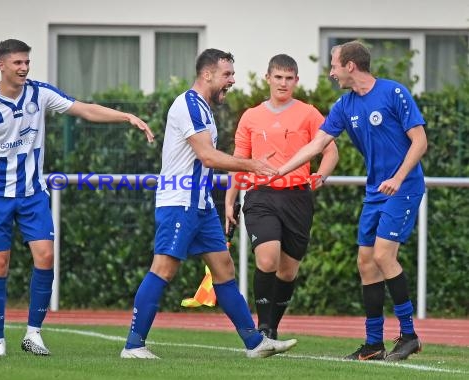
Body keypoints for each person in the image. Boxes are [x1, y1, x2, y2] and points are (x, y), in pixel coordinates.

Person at [0, 39, 154, 357]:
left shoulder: (40, 93)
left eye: (26, 62)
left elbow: (84, 109)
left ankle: (33, 334)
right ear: (1, 65)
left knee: (45, 257)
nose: (24, 68)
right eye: (17, 63)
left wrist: (125, 116)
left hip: (33, 194)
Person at [120, 48, 298, 359]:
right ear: (207, 75)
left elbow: (206, 159)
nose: (232, 80)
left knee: (224, 269)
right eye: (227, 74)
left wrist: (248, 165)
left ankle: (255, 344)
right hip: (180, 202)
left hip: (198, 204)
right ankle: (133, 346)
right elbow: (207, 156)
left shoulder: (202, 107)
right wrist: (252, 165)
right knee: (163, 269)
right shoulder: (188, 105)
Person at [275, 40, 427, 361]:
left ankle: (409, 335)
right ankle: (374, 344)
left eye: (333, 66)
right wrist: (278, 171)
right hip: (375, 192)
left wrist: (398, 178)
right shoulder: (344, 106)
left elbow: (420, 142)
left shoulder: (394, 93)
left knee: (385, 256)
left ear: (350, 66)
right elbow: (317, 144)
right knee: (365, 262)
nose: (331, 73)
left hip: (405, 187)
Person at [224, 54, 338, 340]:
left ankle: (272, 329)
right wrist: (229, 200)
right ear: (268, 78)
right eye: (278, 77)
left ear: (296, 81)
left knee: (287, 272)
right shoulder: (250, 116)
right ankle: (262, 328)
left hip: (298, 198)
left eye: (289, 78)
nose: (283, 83)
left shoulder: (309, 113)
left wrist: (320, 176)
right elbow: (239, 160)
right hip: (261, 196)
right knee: (267, 259)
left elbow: (330, 150)